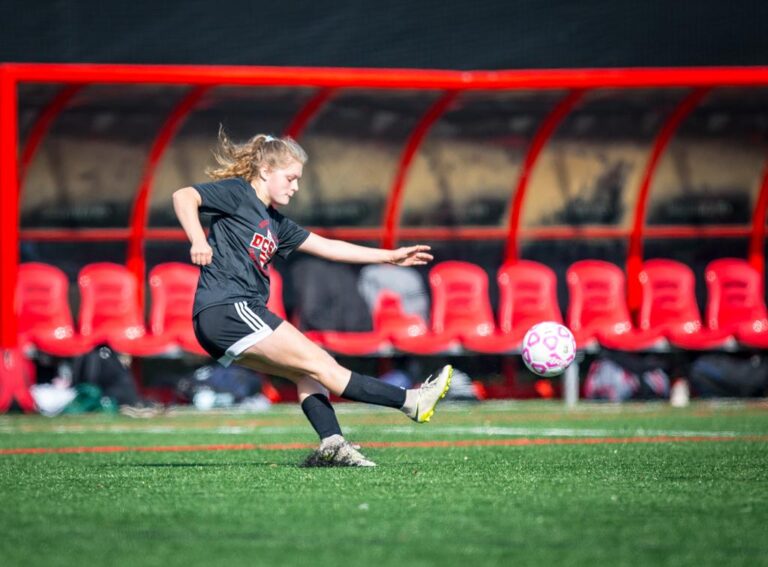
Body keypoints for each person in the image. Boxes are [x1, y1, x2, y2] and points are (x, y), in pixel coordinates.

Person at [172, 129, 453, 467]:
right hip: (230, 308)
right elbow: (184, 196)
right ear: (265, 171)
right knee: (323, 364)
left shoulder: (276, 223)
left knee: (306, 374)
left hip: (224, 319)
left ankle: (333, 445)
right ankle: (411, 400)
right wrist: (197, 240)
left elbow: (329, 247)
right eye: (290, 178)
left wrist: (388, 257)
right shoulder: (238, 193)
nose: (295, 186)